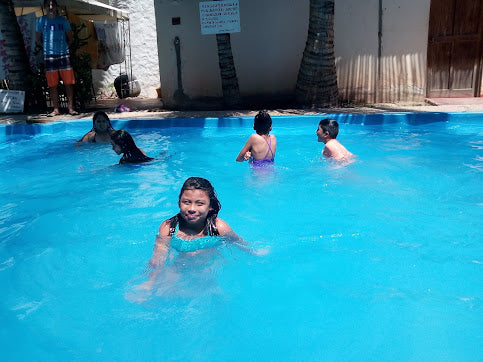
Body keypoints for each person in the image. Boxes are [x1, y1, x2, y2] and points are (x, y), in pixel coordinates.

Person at [36, 0, 78, 117]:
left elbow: (70, 37)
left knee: (68, 82)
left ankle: (70, 108)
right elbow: (38, 39)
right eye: (48, 5)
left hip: (63, 54)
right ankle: (56, 109)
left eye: (52, 5)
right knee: (52, 84)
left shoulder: (63, 20)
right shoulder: (40, 21)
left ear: (56, 7)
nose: (50, 7)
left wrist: (64, 48)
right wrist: (47, 48)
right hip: (49, 56)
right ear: (44, 7)